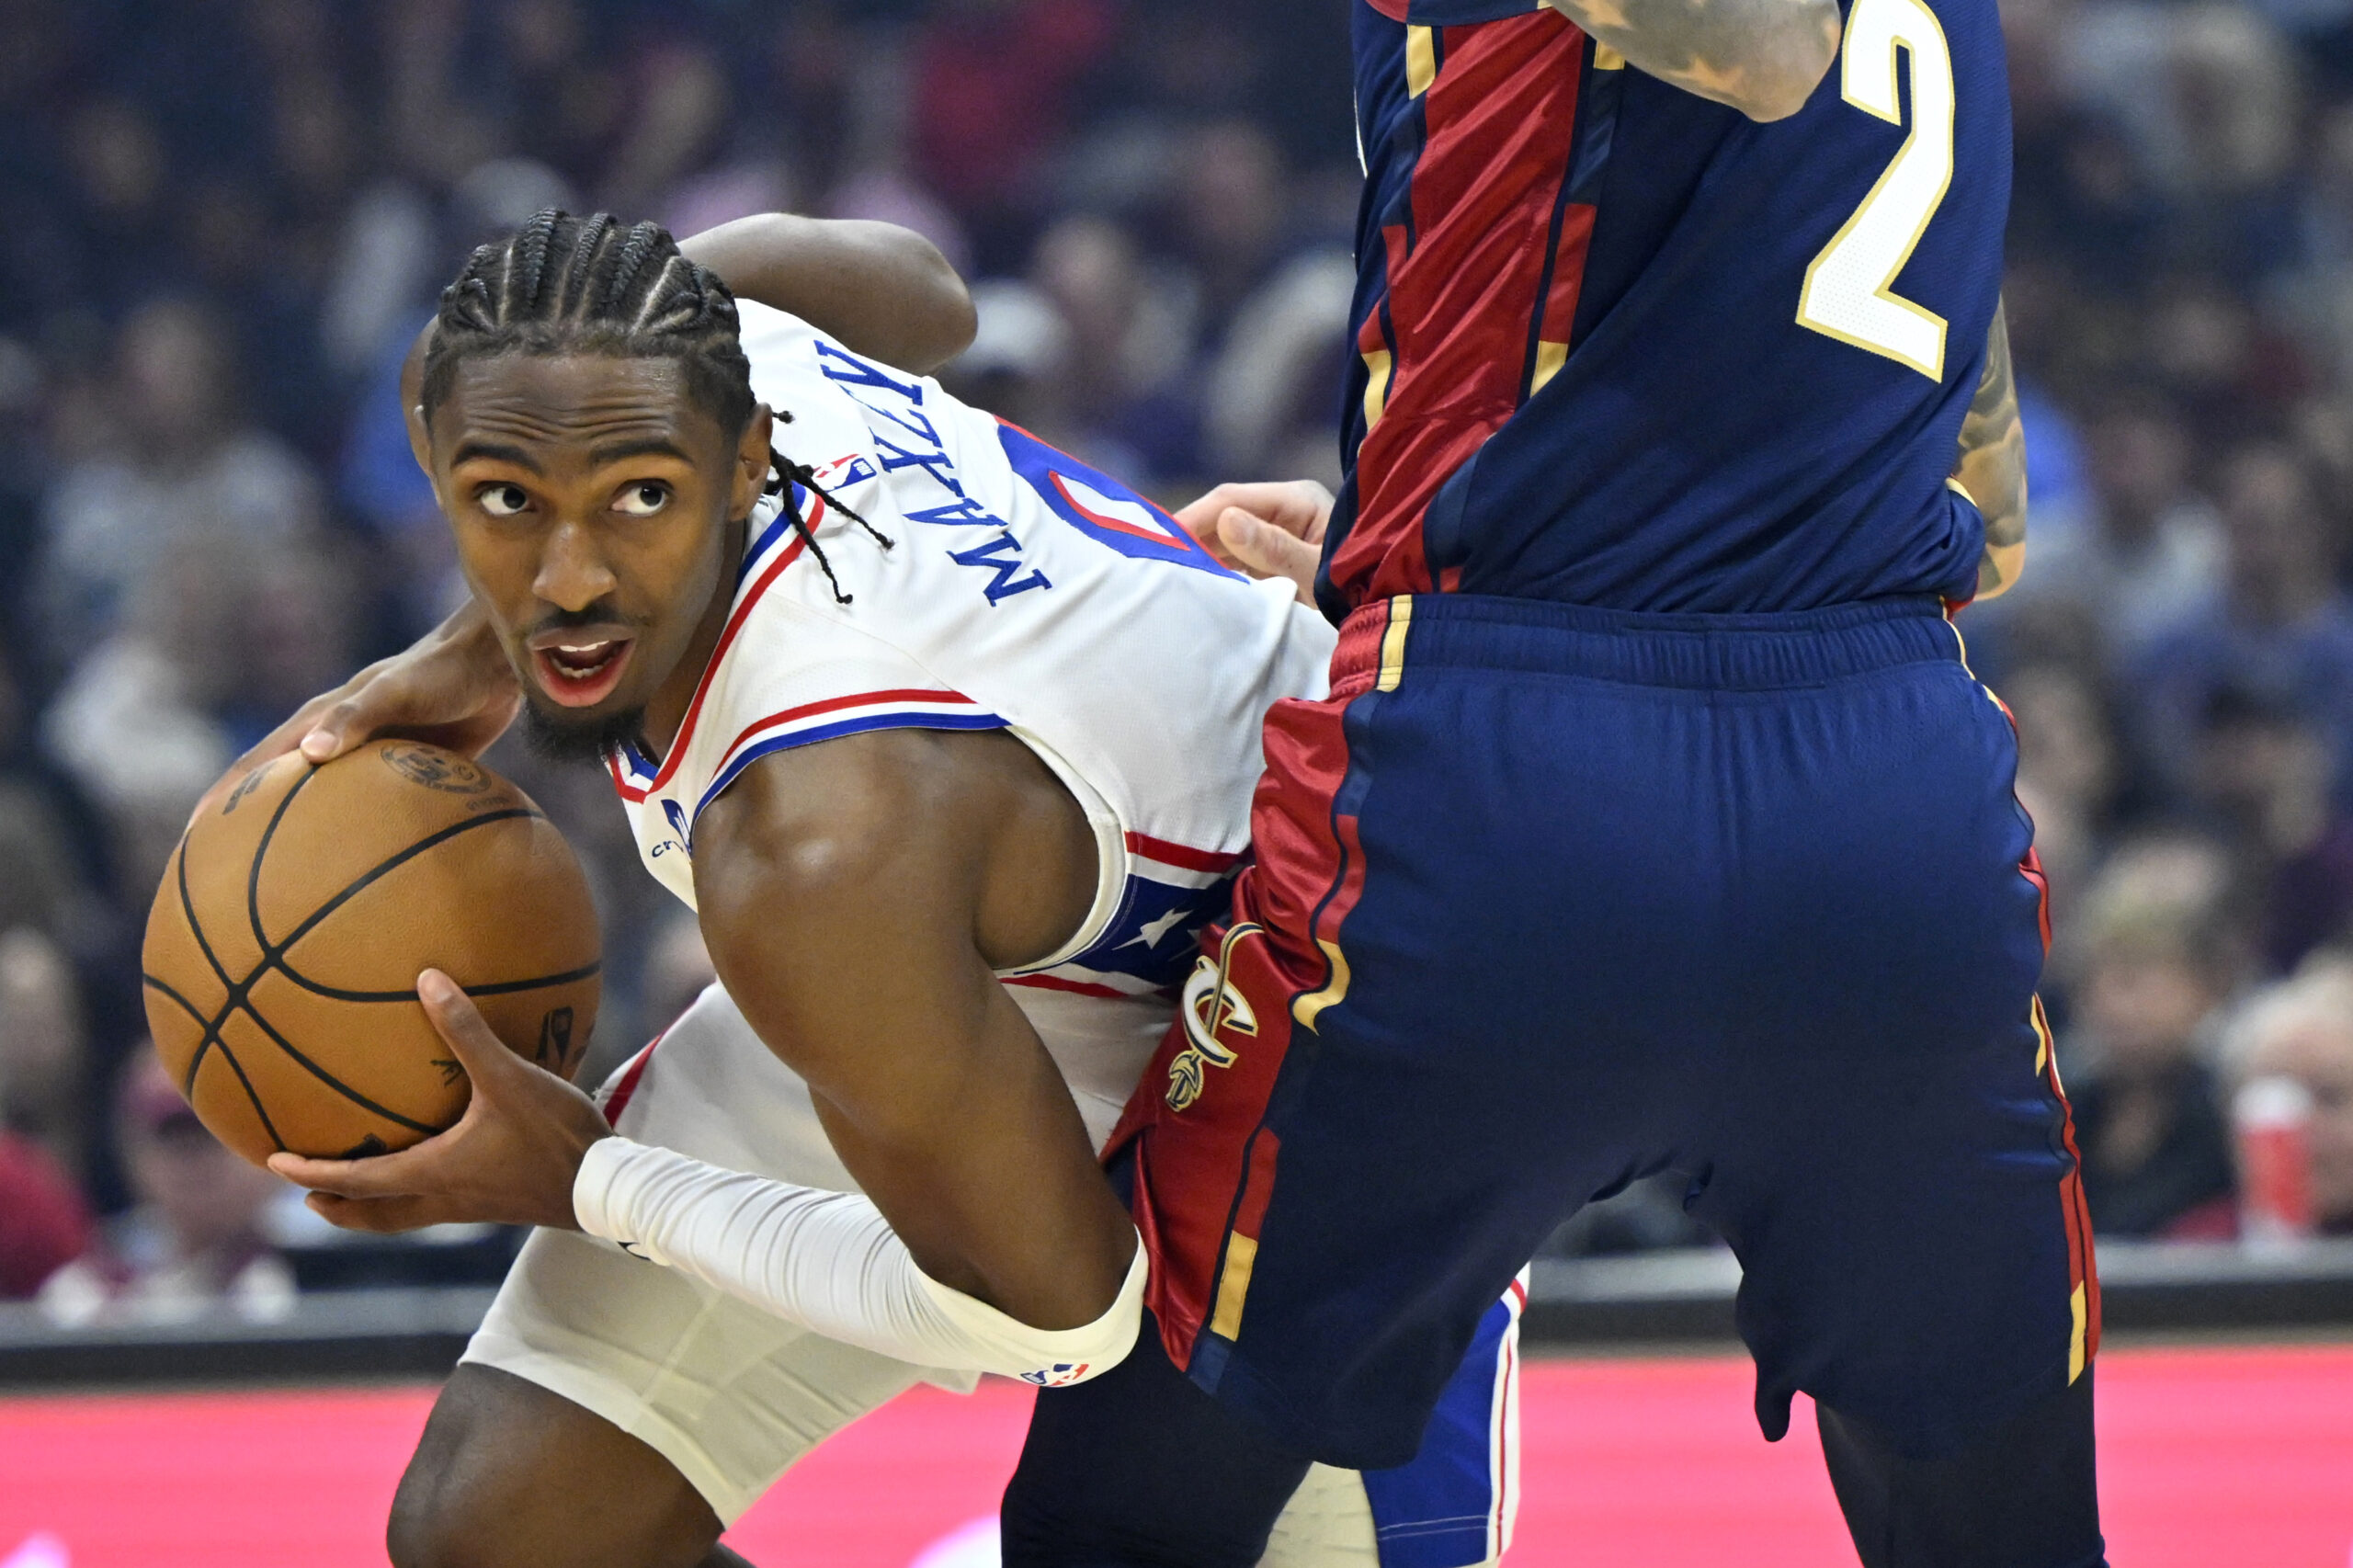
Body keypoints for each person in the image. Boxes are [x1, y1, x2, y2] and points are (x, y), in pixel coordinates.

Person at [988, 0, 2106, 1563]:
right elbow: (1990, 505)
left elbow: (1767, 49)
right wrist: (1465, 522)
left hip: (1506, 782)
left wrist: (1519, 577)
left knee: (1121, 1516)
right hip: (1880, 779)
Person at [248, 210, 1523, 1568]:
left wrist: (591, 1177)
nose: (566, 581)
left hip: (1330, 1025)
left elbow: (1062, 1312)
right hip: (973, 951)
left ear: (743, 461)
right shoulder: (699, 344)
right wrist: (481, 641)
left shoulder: (816, 839)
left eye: (638, 498)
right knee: (502, 1536)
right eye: (505, 501)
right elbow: (929, 298)